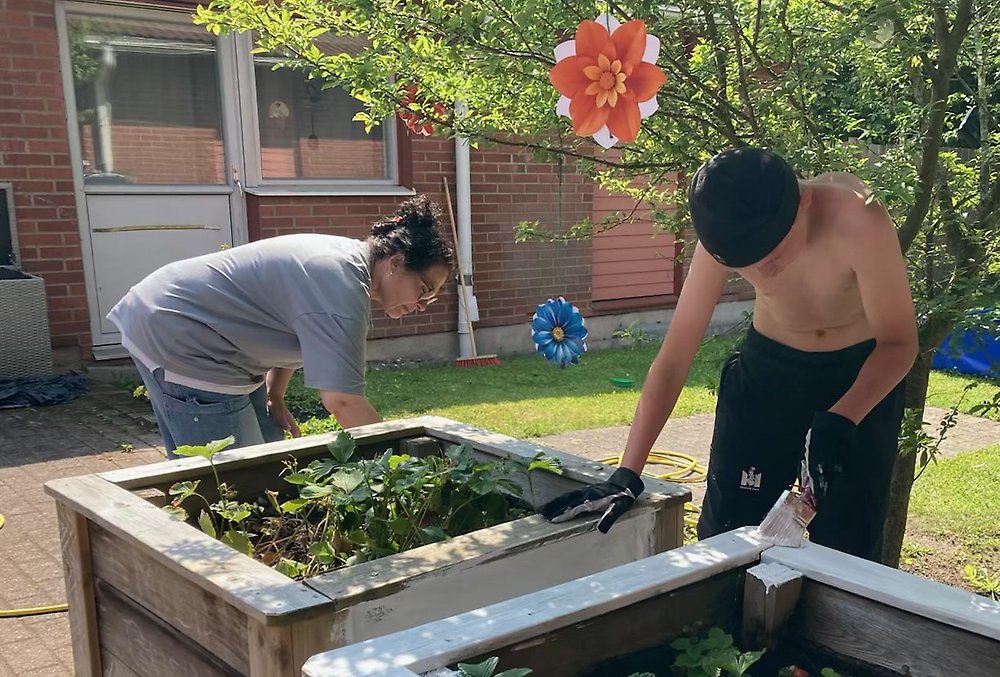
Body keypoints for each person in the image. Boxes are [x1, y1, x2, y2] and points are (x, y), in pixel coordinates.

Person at [541, 147, 918, 561]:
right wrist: (627, 473)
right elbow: (673, 359)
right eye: (746, 267)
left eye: (772, 258)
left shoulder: (858, 218)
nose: (764, 274)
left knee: (851, 550)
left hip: (858, 382)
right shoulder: (726, 229)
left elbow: (899, 344)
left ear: (803, 202)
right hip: (766, 381)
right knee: (728, 539)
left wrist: (841, 419)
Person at [108, 194, 453, 458]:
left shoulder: (346, 266)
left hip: (193, 329)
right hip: (183, 335)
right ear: (396, 263)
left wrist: (275, 394)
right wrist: (402, 463)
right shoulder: (342, 286)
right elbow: (343, 402)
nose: (422, 305)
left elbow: (288, 324)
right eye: (424, 290)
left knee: (270, 456)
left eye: (432, 299)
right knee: (232, 485)